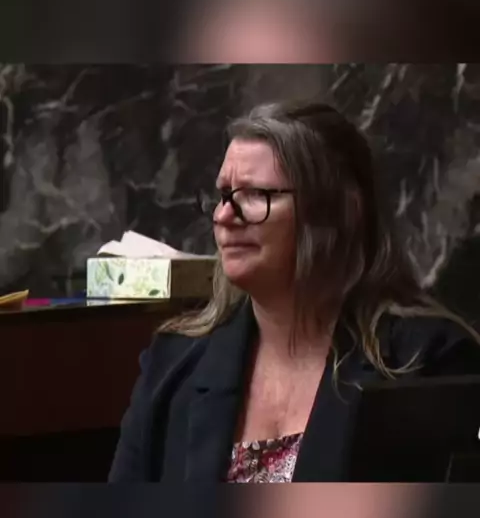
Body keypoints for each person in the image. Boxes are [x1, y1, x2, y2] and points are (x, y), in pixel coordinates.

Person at [109, 101, 480, 483]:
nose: (223, 216)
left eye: (256, 195)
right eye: (224, 194)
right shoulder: (172, 365)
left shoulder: (429, 360)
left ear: (341, 210)